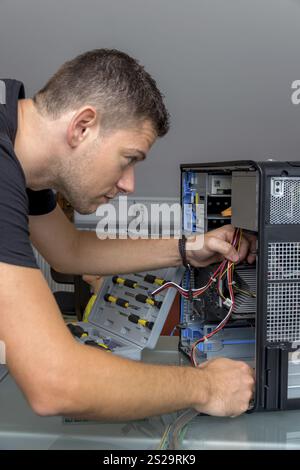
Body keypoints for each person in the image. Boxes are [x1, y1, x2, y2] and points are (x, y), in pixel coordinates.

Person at [0, 49, 255, 421]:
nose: (129, 184)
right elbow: (55, 383)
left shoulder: (17, 136)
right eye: (129, 158)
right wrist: (208, 387)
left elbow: (68, 250)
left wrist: (188, 249)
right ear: (82, 127)